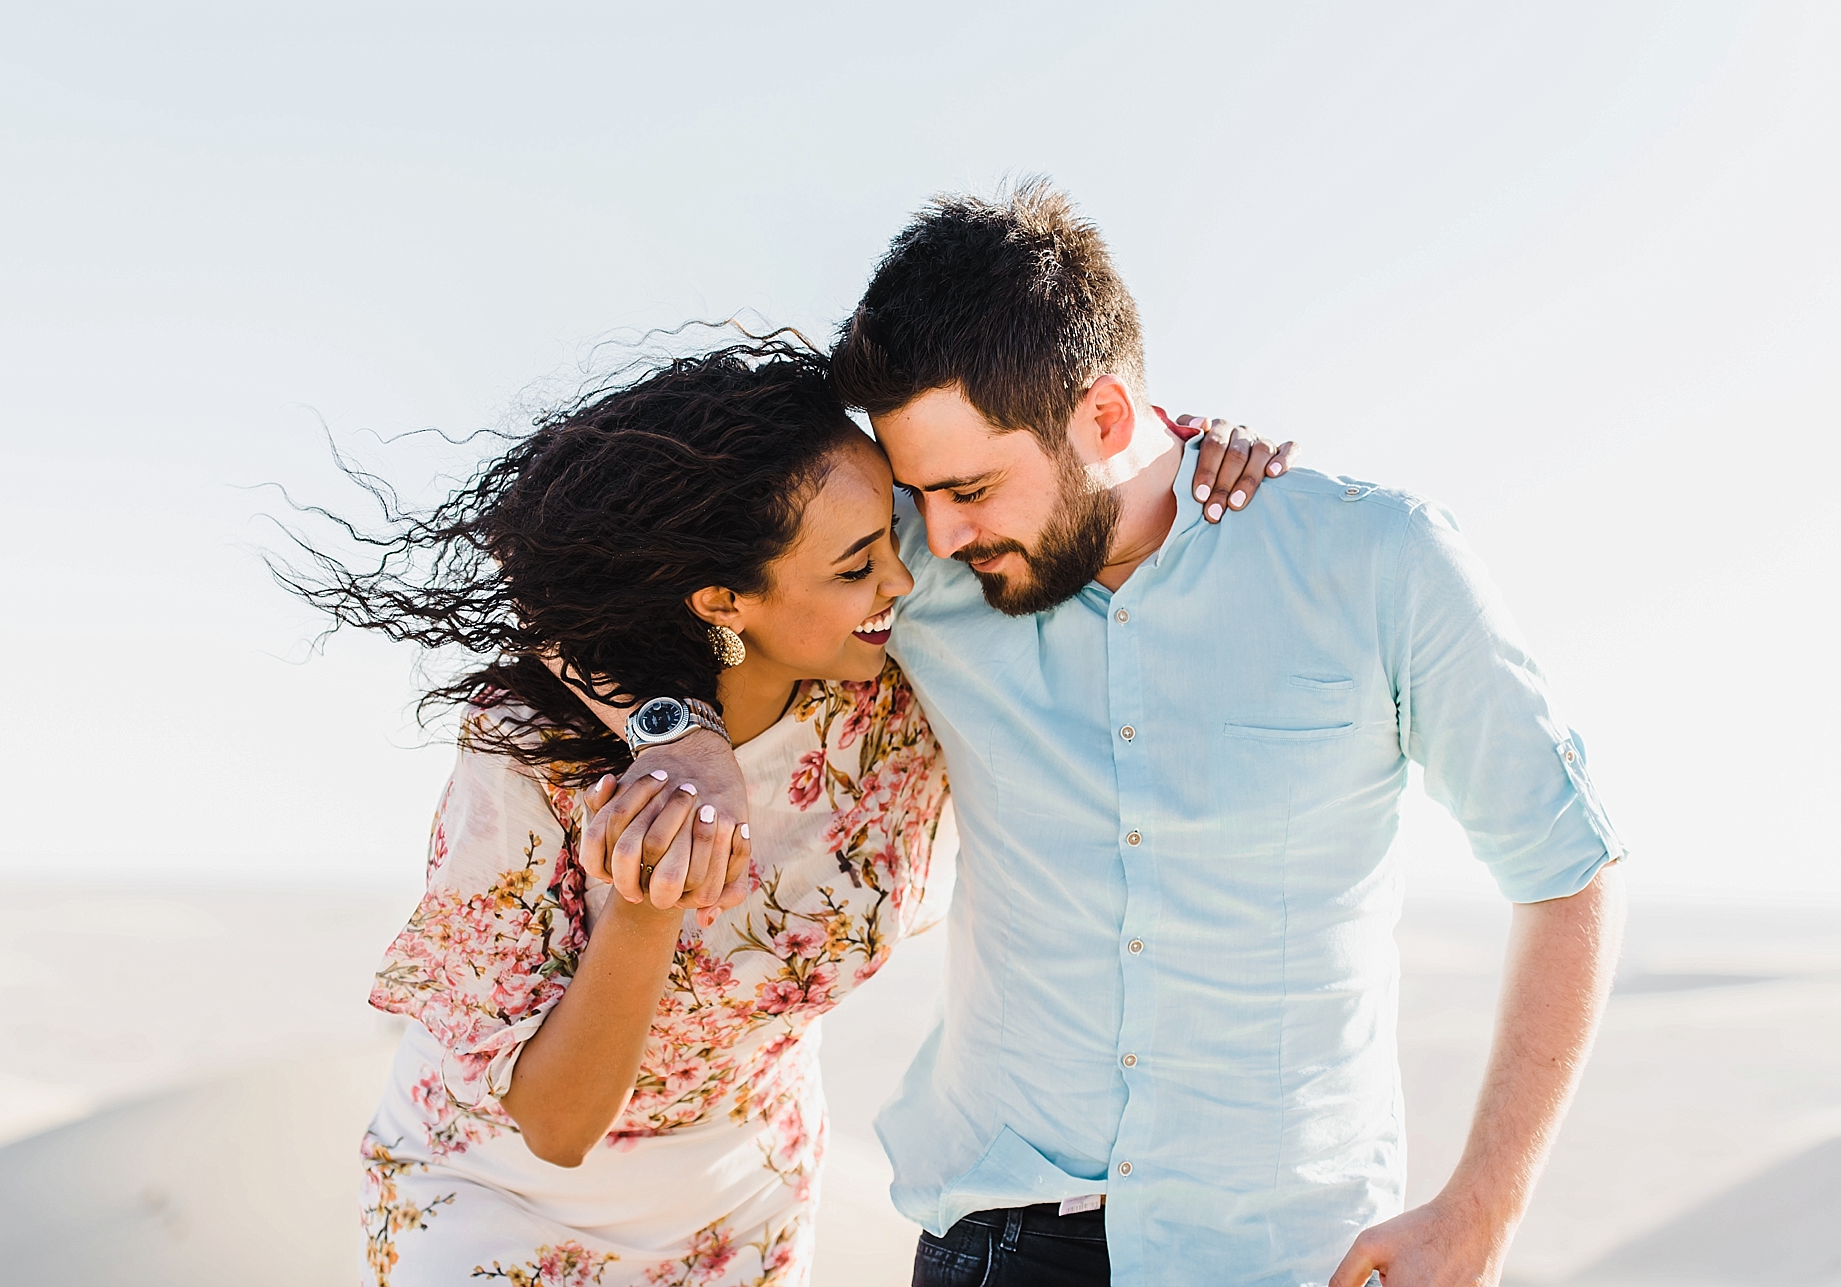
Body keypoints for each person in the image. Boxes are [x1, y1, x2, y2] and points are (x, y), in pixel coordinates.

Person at [582, 182, 1627, 1287]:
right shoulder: (915, 565)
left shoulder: (1376, 563)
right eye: (918, 490)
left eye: (972, 487)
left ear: (1108, 419)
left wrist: (1483, 1207)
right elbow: (595, 574)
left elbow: (1567, 870)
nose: (936, 534)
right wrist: (676, 726)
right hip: (999, 1242)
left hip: (1289, 1256)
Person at [280, 337, 1280, 1286]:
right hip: (500, 1197)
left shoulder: (890, 686)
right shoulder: (530, 748)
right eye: (855, 567)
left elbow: (1062, 520)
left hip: (744, 1202)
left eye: (887, 533)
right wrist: (651, 868)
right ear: (721, 600)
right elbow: (557, 1123)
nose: (904, 577)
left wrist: (1163, 457)